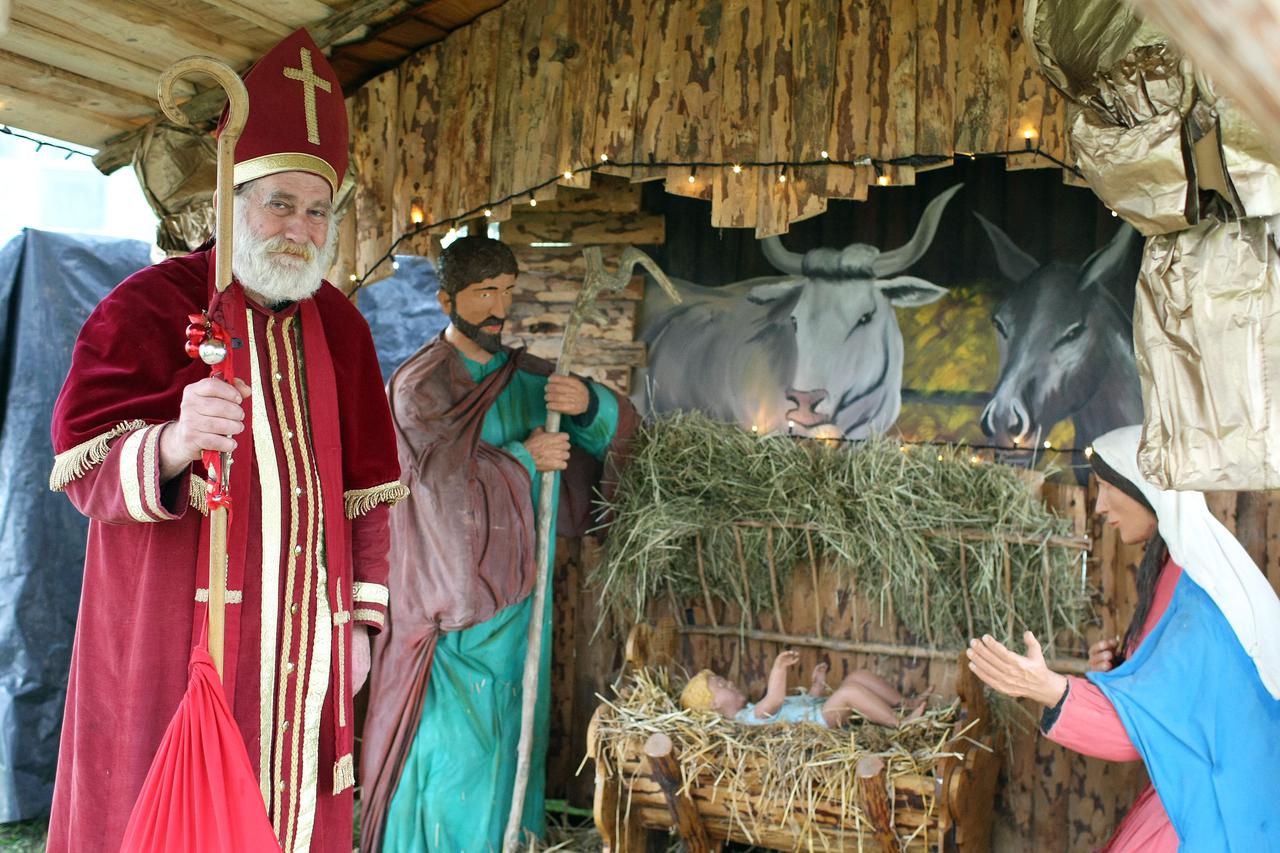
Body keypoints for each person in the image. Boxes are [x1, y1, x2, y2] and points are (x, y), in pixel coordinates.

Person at [46, 29, 405, 853]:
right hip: (178, 644)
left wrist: (358, 628)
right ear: (231, 198)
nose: (300, 227)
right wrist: (172, 442)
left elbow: (369, 497)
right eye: (279, 202)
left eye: (317, 210)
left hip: (306, 650)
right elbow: (80, 466)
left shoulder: (343, 330)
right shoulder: (147, 305)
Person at [359, 236, 638, 851]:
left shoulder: (526, 377)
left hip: (518, 601)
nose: (498, 307)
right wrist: (523, 460)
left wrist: (588, 403)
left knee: (512, 739)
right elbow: (432, 489)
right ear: (445, 299)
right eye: (485, 292)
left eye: (507, 292)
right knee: (449, 753)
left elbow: (621, 433)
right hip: (444, 610)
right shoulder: (419, 386)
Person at [966, 425, 1280, 851]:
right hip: (1200, 794)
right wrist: (1116, 677)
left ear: (1149, 488)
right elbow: (1170, 700)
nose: (1098, 506)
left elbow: (1134, 732)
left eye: (1107, 486)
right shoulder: (1180, 570)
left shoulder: (1199, 601)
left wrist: (1047, 688)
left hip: (1224, 819)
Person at [680, 652, 925, 728]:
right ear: (714, 705)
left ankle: (905, 702)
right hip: (820, 721)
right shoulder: (745, 721)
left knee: (856, 677)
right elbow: (775, 699)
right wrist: (778, 667)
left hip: (818, 709)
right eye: (721, 685)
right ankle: (900, 723)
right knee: (848, 692)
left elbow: (798, 705)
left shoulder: (752, 709)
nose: (730, 683)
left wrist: (817, 685)